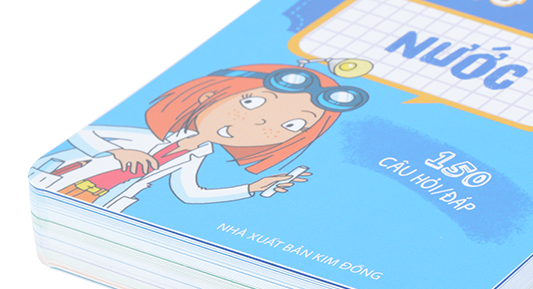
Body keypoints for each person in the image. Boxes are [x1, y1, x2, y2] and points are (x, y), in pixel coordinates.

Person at [29, 64, 368, 212]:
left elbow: (190, 193)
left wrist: (252, 188)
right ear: (209, 96)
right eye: (251, 103)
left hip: (102, 199)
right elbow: (88, 136)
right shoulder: (148, 138)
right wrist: (119, 153)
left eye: (293, 125)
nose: (261, 122)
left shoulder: (195, 155)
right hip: (65, 180)